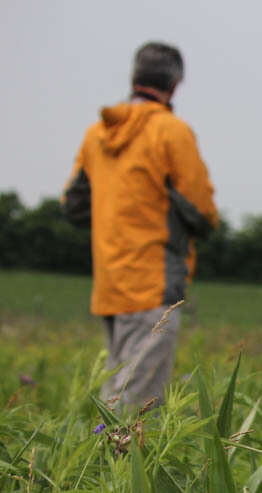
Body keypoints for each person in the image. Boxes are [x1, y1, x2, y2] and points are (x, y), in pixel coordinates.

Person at [62, 42, 218, 408]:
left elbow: (74, 206)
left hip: (109, 284)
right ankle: (115, 466)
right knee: (137, 407)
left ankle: (98, 465)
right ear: (175, 85)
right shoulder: (172, 132)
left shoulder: (97, 134)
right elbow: (203, 212)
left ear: (134, 77)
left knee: (116, 394)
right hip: (153, 284)